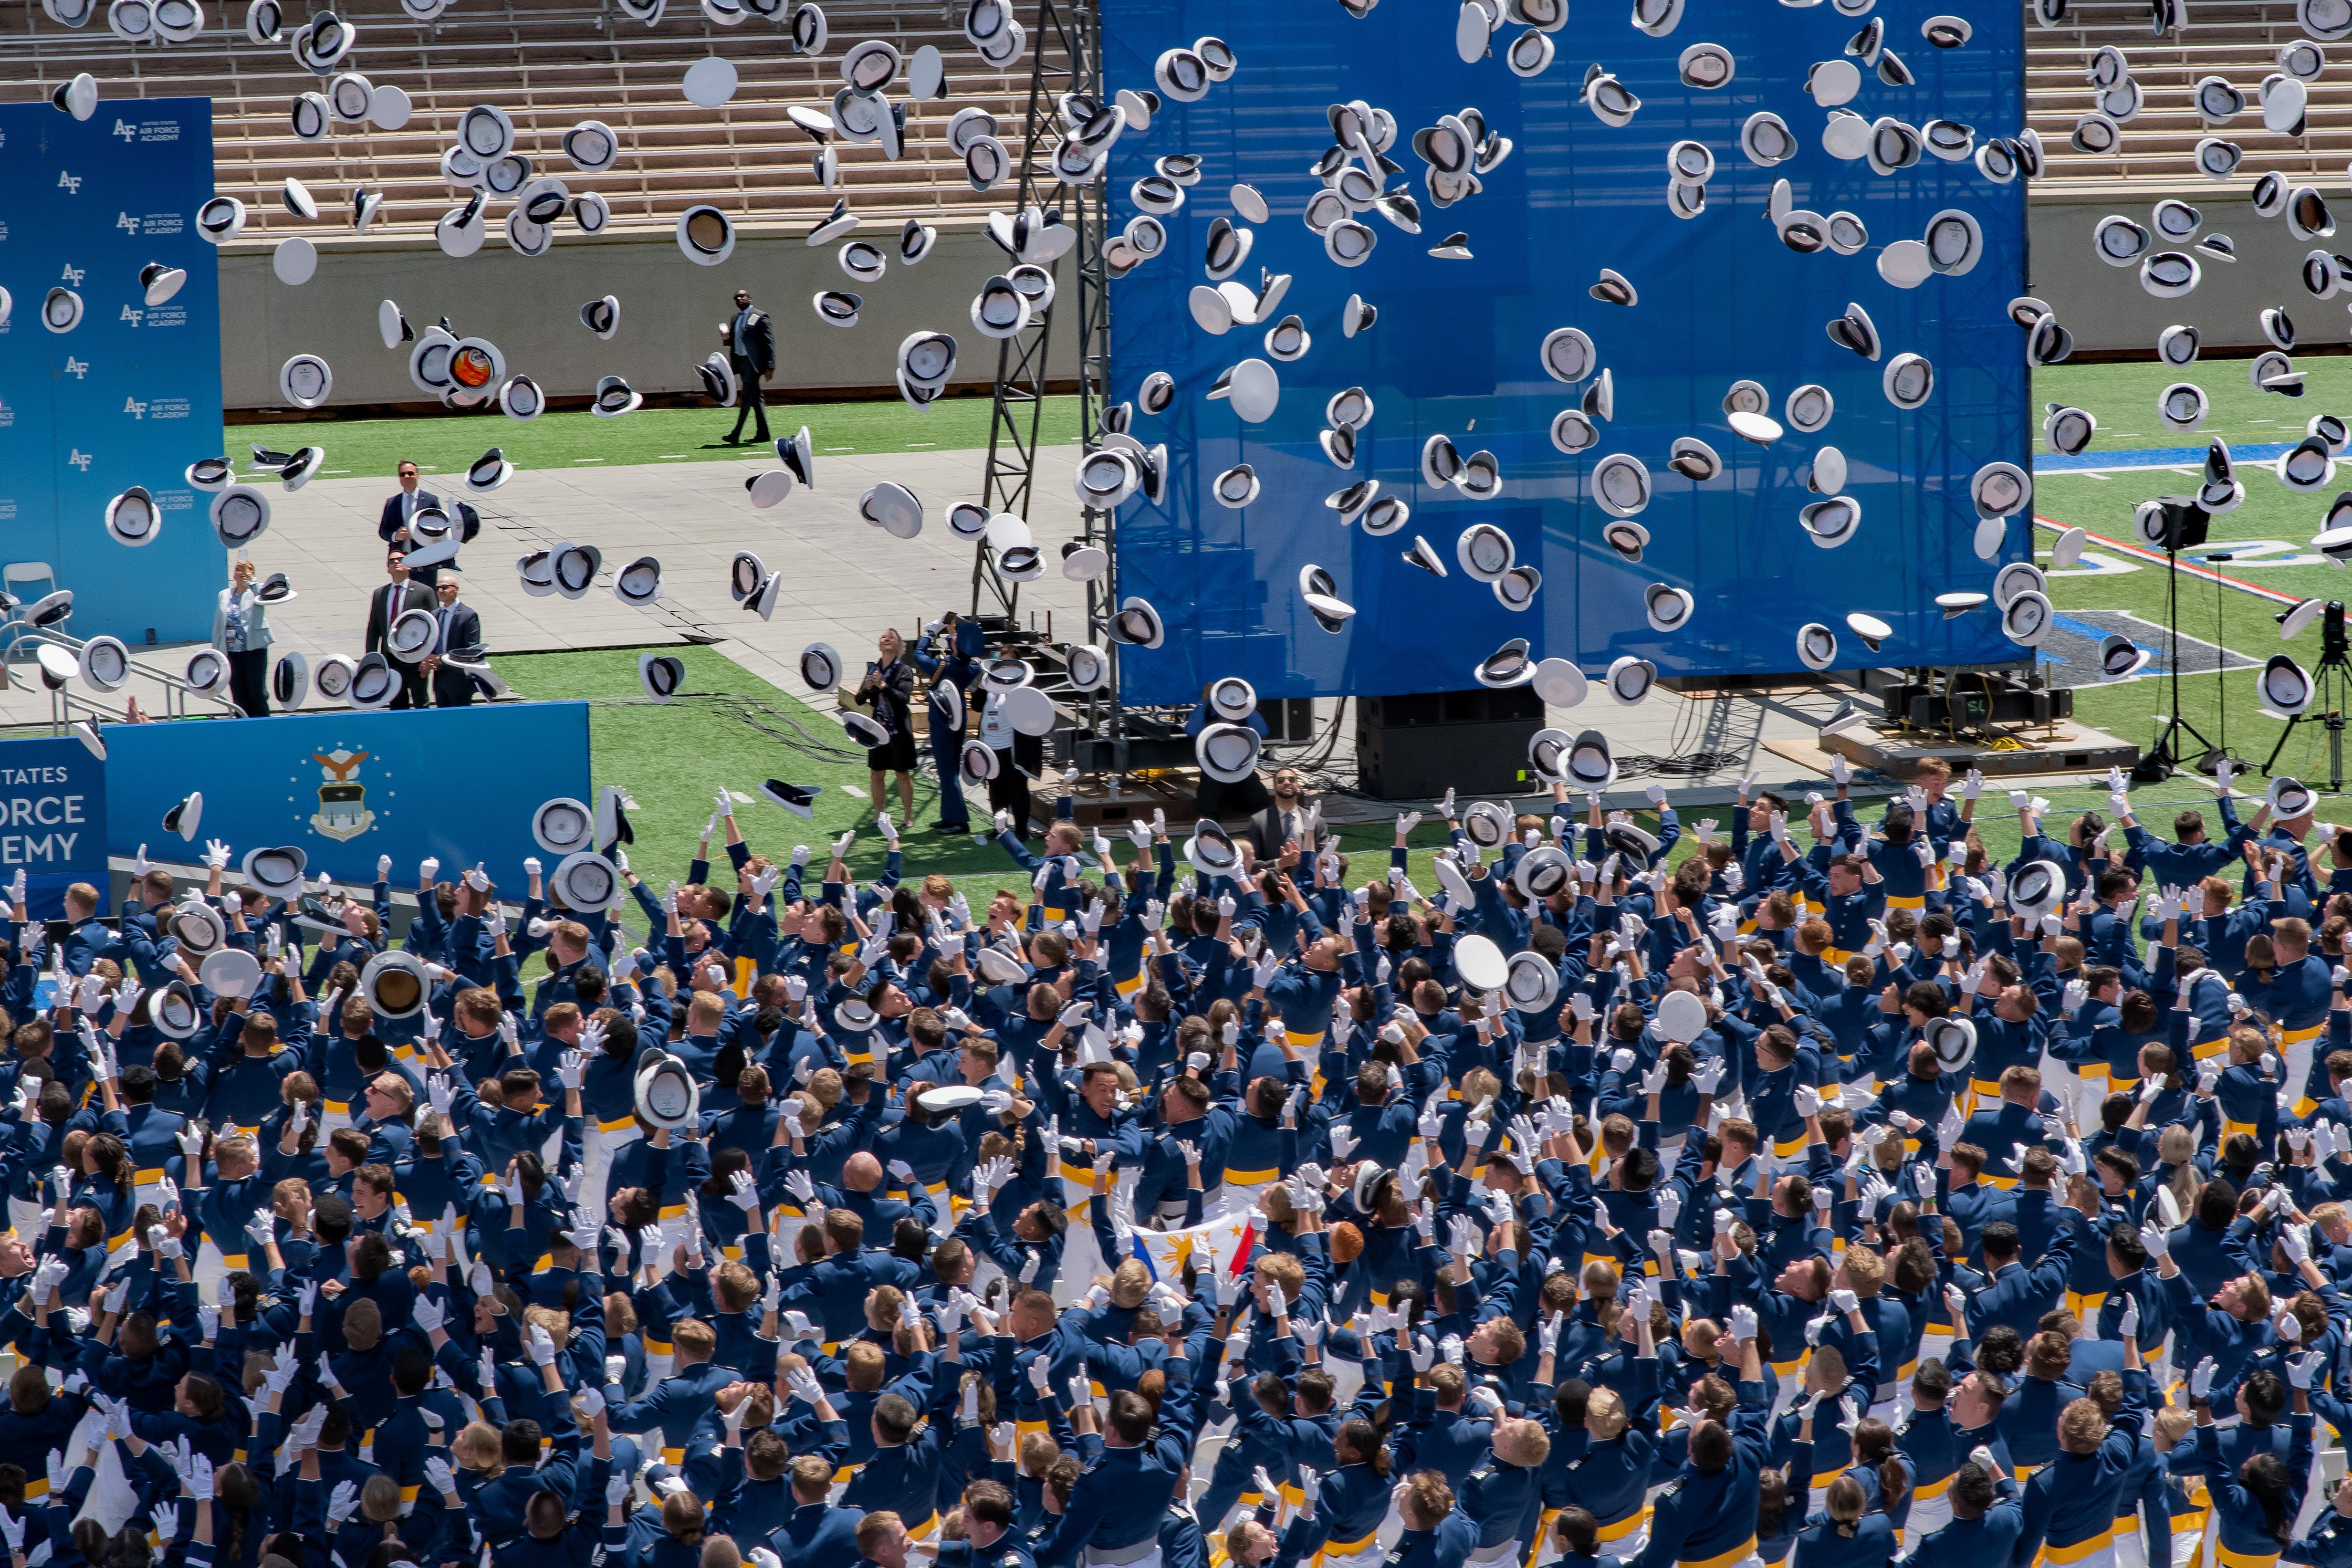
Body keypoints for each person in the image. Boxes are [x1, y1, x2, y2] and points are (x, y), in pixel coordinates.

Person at [912, 614, 983, 836]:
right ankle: (949, 816)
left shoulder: (942, 666)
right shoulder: (970, 668)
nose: (952, 636)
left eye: (955, 637)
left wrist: (929, 634)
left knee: (947, 771)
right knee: (948, 769)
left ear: (956, 646)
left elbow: (918, 655)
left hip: (942, 720)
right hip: (958, 719)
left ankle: (960, 821)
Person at [852, 628, 919, 825]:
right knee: (876, 773)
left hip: (899, 731)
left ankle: (907, 816)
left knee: (902, 773)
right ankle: (878, 814)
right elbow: (860, 700)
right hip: (878, 729)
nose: (887, 639)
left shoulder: (904, 670)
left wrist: (883, 686)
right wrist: (868, 687)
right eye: (884, 637)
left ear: (899, 646)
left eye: (892, 637)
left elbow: (903, 699)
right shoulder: (874, 669)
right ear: (880, 645)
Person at [1187, 682, 1271, 823]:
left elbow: (1263, 731)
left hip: (1242, 770)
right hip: (1213, 771)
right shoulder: (1208, 712)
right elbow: (1191, 731)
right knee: (1207, 800)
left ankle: (1264, 829)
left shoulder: (1246, 716)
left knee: (1260, 795)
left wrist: (1247, 708)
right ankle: (1210, 831)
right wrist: (1203, 701)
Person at [363, 547, 436, 710]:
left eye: (401, 560)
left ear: (409, 566)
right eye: (392, 561)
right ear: (388, 569)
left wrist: (428, 658)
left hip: (415, 659)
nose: (396, 562)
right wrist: (373, 660)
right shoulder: (380, 594)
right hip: (391, 660)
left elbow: (435, 627)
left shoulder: (424, 592)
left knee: (421, 703)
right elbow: (373, 630)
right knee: (396, 704)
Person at [213, 556, 273, 718]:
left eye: (248, 570)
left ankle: (262, 722)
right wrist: (216, 653)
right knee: (238, 693)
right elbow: (219, 625)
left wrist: (251, 578)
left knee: (256, 692)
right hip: (232, 652)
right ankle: (242, 723)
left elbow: (263, 598)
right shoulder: (224, 595)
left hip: (254, 650)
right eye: (239, 570)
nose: (243, 573)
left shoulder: (256, 592)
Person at [421, 571, 486, 709]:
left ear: (456, 590)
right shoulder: (435, 615)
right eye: (438, 588)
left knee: (460, 718)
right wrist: (427, 660)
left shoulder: (468, 616)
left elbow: (470, 650)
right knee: (443, 716)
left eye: (445, 587)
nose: (440, 591)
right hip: (439, 680)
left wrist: (442, 659)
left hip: (459, 680)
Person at [376, 459, 445, 586]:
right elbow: (383, 531)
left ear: (417, 476)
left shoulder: (430, 501)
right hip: (400, 561)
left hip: (425, 559)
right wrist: (396, 536)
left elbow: (442, 529)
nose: (407, 477)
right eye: (403, 474)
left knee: (427, 594)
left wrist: (421, 535)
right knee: (401, 594)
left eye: (411, 473)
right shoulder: (392, 503)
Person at [722, 289, 774, 446]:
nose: (739, 299)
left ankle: (736, 434)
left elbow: (769, 342)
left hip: (753, 363)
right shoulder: (735, 318)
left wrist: (770, 366)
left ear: (749, 298)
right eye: (736, 298)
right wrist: (726, 338)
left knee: (746, 397)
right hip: (741, 361)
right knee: (756, 398)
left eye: (742, 296)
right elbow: (735, 341)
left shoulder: (760, 316)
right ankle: (763, 434)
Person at [1246, 768, 1326, 863]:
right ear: (1274, 788)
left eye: (1292, 780)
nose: (1287, 783)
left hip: (1307, 873)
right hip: (1275, 873)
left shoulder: (1317, 821)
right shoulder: (1259, 821)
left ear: (1298, 787)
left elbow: (1325, 856)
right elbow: (1252, 862)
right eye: (1281, 780)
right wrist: (1279, 864)